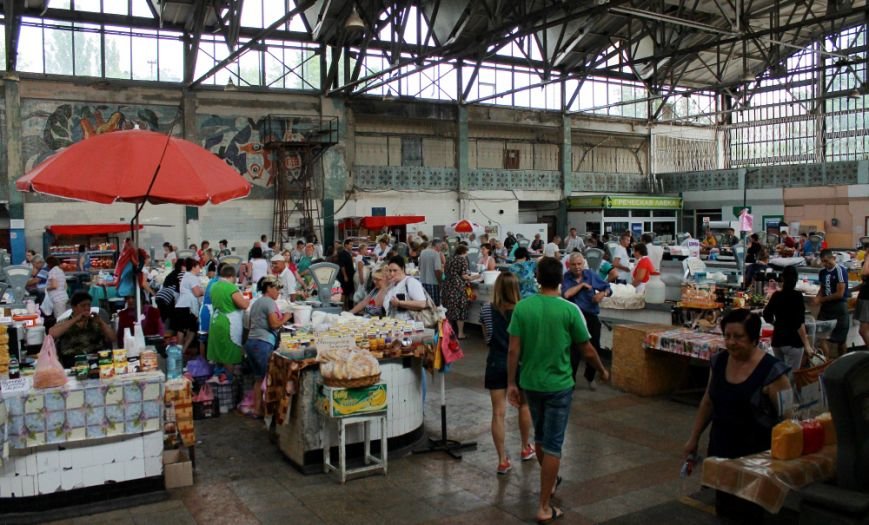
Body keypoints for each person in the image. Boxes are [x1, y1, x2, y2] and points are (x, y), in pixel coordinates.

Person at [507, 257, 610, 524]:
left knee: (541, 439)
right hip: (559, 385)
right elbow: (587, 349)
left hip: (530, 383)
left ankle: (549, 482)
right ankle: (544, 506)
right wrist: (601, 369)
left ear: (538, 278)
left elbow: (513, 349)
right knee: (552, 445)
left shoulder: (523, 308)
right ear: (560, 278)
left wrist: (511, 383)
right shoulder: (569, 310)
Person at [683, 310, 790, 521]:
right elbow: (708, 401)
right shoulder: (719, 361)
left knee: (752, 512)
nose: (731, 342)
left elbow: (788, 418)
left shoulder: (772, 371)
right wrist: (693, 438)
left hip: (756, 457)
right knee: (724, 507)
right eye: (727, 336)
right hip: (722, 447)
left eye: (738, 337)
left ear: (754, 338)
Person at [480, 271, 535, 475]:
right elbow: (527, 341)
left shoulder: (486, 309)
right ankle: (524, 447)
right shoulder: (524, 310)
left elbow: (487, 338)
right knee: (524, 406)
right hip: (520, 364)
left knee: (498, 413)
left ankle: (502, 460)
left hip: (495, 362)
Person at [562, 252, 612, 390]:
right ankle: (570, 382)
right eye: (574, 264)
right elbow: (566, 294)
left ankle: (590, 376)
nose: (577, 267)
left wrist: (602, 294)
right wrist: (582, 285)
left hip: (590, 316)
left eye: (579, 264)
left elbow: (607, 287)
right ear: (569, 265)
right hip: (574, 317)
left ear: (583, 264)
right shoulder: (566, 277)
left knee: (594, 347)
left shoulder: (590, 275)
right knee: (573, 351)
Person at [244, 275, 291, 417]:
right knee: (268, 378)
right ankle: (269, 412)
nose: (278, 292)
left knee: (259, 379)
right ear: (269, 288)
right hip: (262, 344)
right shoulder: (269, 302)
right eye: (276, 289)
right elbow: (274, 324)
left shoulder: (257, 302)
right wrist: (286, 317)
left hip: (252, 343)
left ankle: (257, 411)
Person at [763, 266, 814, 374]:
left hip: (778, 340)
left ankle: (780, 391)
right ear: (796, 279)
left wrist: (776, 324)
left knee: (779, 375)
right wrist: (807, 345)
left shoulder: (776, 295)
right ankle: (789, 391)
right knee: (791, 377)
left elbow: (766, 314)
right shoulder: (797, 296)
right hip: (793, 342)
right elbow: (799, 323)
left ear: (783, 278)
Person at [49, 291, 114, 368]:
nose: (86, 308)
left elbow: (112, 338)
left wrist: (101, 322)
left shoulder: (96, 321)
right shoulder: (65, 322)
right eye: (83, 306)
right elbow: (52, 333)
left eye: (89, 305)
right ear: (74, 307)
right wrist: (76, 319)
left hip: (96, 358)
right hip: (73, 360)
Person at [207, 265, 250, 379]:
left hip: (216, 321)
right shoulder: (231, 288)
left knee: (219, 351)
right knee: (228, 354)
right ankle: (230, 381)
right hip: (228, 323)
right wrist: (247, 299)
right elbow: (244, 305)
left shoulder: (214, 286)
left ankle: (219, 378)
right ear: (232, 276)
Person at [814, 249, 850, 359]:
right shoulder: (822, 272)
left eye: (827, 261)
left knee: (841, 340)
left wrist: (822, 300)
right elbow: (822, 288)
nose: (825, 264)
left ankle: (844, 364)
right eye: (823, 261)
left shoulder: (840, 270)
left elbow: (840, 293)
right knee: (822, 337)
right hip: (826, 309)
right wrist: (817, 297)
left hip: (839, 308)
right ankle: (826, 364)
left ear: (833, 258)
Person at [442, 245, 476, 340]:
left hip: (447, 286)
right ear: (464, 252)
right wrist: (475, 277)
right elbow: (464, 276)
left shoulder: (449, 259)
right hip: (457, 287)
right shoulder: (462, 260)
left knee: (448, 309)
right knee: (460, 309)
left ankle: (448, 332)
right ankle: (460, 333)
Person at [383, 256, 428, 321]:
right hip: (393, 324)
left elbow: (422, 304)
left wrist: (400, 303)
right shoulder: (392, 284)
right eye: (390, 271)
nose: (392, 273)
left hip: (408, 324)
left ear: (403, 269)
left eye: (395, 270)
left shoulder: (411, 282)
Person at [174, 258, 204, 353]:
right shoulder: (192, 277)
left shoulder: (186, 276)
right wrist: (204, 291)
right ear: (194, 267)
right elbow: (197, 293)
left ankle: (180, 351)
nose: (200, 268)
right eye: (199, 266)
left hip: (180, 305)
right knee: (189, 330)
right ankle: (182, 351)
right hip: (187, 306)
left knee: (183, 329)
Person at [155, 258, 184, 330]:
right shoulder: (180, 274)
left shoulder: (172, 273)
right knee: (171, 316)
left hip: (160, 295)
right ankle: (169, 332)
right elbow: (180, 289)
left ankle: (162, 331)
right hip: (168, 296)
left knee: (162, 316)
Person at [418, 239, 443, 306]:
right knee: (434, 306)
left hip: (423, 282)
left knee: (426, 304)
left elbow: (419, 267)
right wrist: (440, 282)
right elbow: (437, 270)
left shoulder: (422, 252)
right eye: (441, 247)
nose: (441, 249)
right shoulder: (436, 254)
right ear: (437, 245)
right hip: (433, 283)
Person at [336, 239, 356, 311]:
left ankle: (346, 306)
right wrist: (345, 276)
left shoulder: (348, 253)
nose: (351, 246)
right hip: (345, 276)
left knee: (348, 292)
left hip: (350, 275)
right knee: (344, 292)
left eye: (352, 245)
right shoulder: (342, 253)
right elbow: (342, 266)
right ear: (346, 245)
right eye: (350, 244)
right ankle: (342, 307)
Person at [857, 253, 869, 347]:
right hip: (864, 298)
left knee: (863, 330)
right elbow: (864, 283)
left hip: (867, 300)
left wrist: (868, 258)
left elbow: (864, 273)